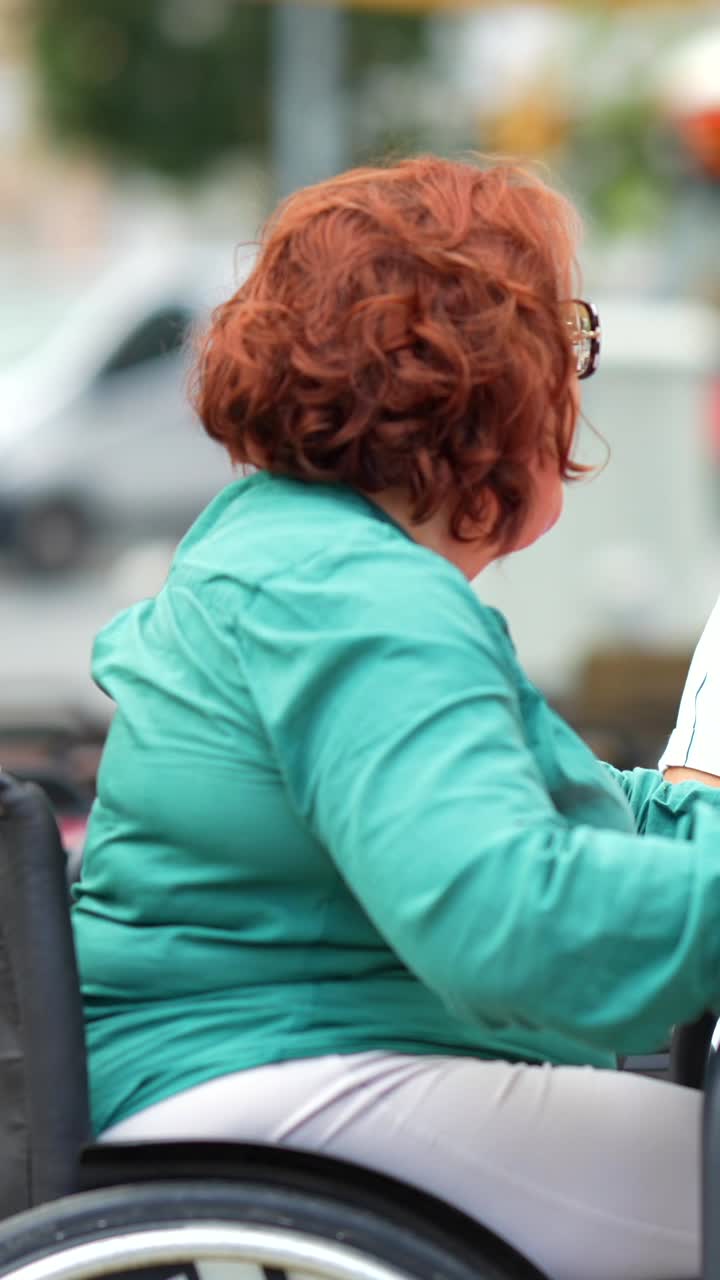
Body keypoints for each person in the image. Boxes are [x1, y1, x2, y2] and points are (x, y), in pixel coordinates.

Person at [72, 155, 720, 1280]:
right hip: (283, 1085)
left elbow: (567, 813)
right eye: (562, 343)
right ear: (495, 384)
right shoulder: (359, 602)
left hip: (250, 1077)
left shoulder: (287, 555)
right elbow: (508, 914)